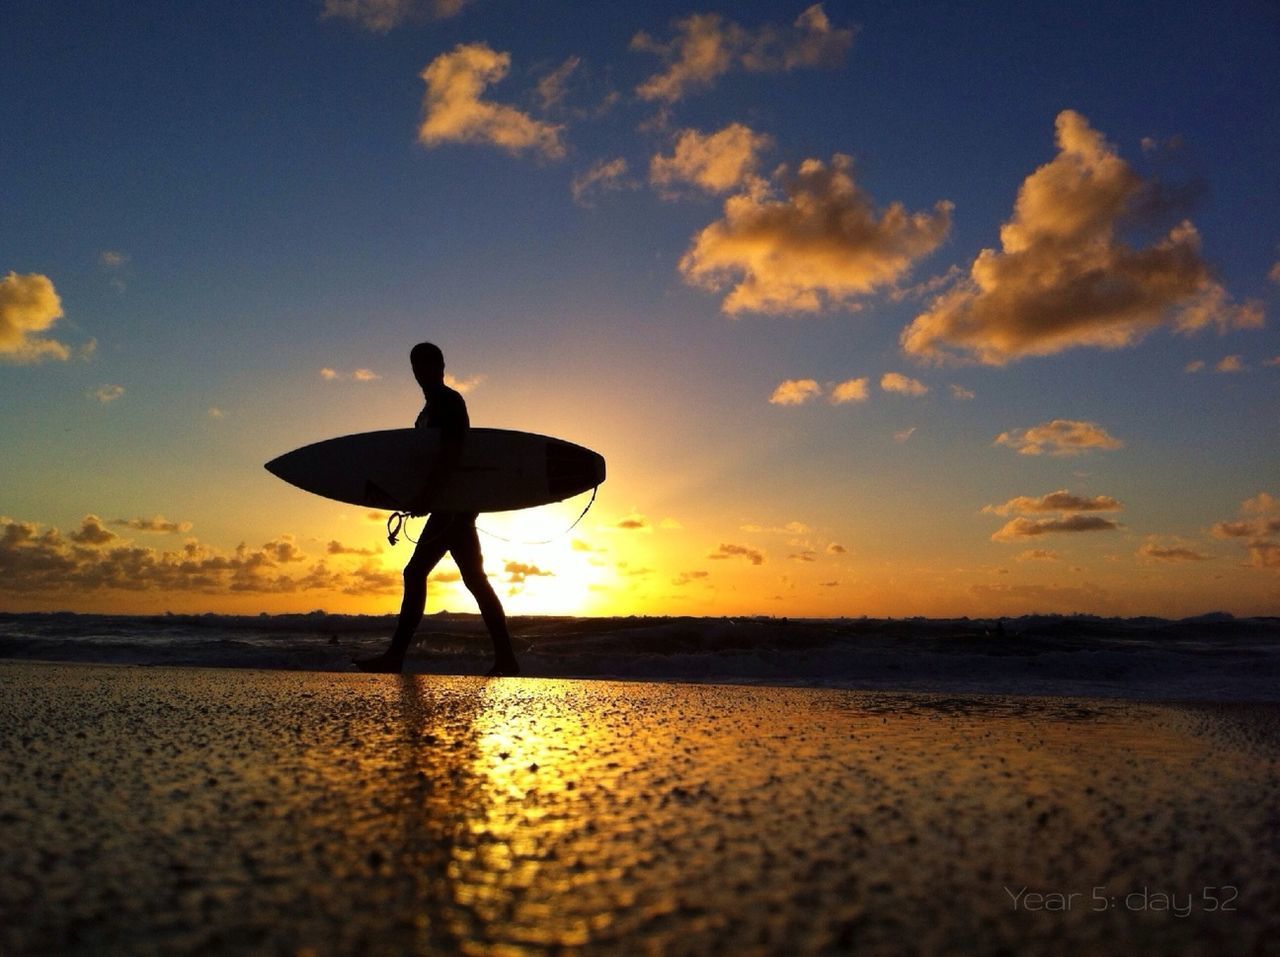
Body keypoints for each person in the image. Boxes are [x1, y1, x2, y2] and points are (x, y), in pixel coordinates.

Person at [355, 342, 520, 676]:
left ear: (441, 366)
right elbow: (423, 462)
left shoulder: (449, 402)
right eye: (415, 366)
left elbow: (452, 455)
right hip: (449, 506)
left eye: (426, 365)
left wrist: (429, 497)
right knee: (474, 579)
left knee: (417, 573)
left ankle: (396, 656)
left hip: (453, 508)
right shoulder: (427, 411)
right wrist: (415, 496)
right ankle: (506, 659)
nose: (420, 372)